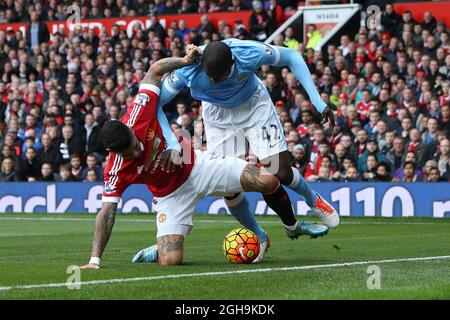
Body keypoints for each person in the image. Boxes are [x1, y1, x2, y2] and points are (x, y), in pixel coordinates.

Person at [80, 45, 329, 269]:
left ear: (129, 128)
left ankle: (292, 225)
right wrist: (94, 259)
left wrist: (185, 60)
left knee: (267, 179)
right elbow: (107, 212)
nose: (137, 151)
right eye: (129, 153)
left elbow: (155, 70)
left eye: (135, 144)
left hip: (197, 165)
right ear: (112, 153)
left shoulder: (138, 113)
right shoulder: (115, 170)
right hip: (170, 196)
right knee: (171, 261)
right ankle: (162, 247)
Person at [158, 39, 340, 235]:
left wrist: (317, 101)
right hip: (218, 116)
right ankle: (260, 235)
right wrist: (171, 142)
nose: (217, 81)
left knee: (281, 171)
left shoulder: (247, 52)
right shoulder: (188, 68)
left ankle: (312, 199)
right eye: (212, 77)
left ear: (233, 63)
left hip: (253, 105)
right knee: (230, 187)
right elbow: (157, 103)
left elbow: (293, 56)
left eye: (221, 76)